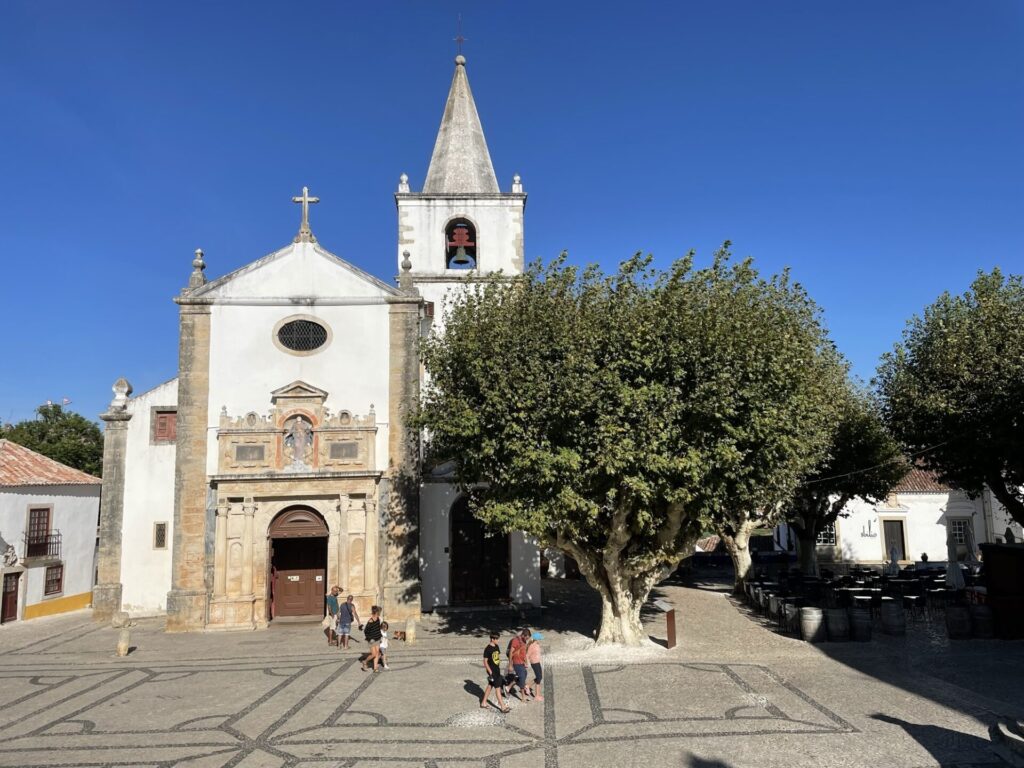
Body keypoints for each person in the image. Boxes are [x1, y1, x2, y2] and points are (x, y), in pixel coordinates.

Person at [481, 632, 510, 713]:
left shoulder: (496, 646)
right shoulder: (487, 649)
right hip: (492, 672)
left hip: (497, 670)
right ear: (492, 639)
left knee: (490, 686)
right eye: (496, 639)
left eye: (498, 639)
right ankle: (503, 707)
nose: (498, 640)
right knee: (497, 688)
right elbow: (485, 661)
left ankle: (483, 703)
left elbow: (497, 657)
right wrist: (490, 671)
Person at [507, 628, 531, 701]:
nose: (527, 639)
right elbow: (511, 652)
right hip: (516, 662)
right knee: (522, 678)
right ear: (523, 635)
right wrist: (510, 665)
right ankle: (523, 697)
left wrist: (526, 661)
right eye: (526, 637)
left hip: (521, 662)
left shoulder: (524, 641)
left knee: (523, 675)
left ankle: (508, 687)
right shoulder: (515, 641)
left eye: (528, 638)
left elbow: (524, 653)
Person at [361, 606, 383, 672]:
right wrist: (370, 639)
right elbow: (365, 631)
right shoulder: (371, 621)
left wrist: (380, 636)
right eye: (379, 612)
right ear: (376, 612)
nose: (380, 613)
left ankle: (375, 668)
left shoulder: (378, 619)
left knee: (377, 653)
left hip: (378, 638)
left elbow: (378, 629)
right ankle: (365, 661)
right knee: (373, 654)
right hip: (372, 640)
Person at [525, 632, 544, 701]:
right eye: (539, 639)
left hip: (537, 662)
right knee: (538, 678)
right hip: (534, 663)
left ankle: (528, 686)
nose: (540, 640)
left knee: (540, 677)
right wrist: (526, 663)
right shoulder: (532, 645)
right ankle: (537, 696)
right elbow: (527, 655)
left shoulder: (537, 644)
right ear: (536, 639)